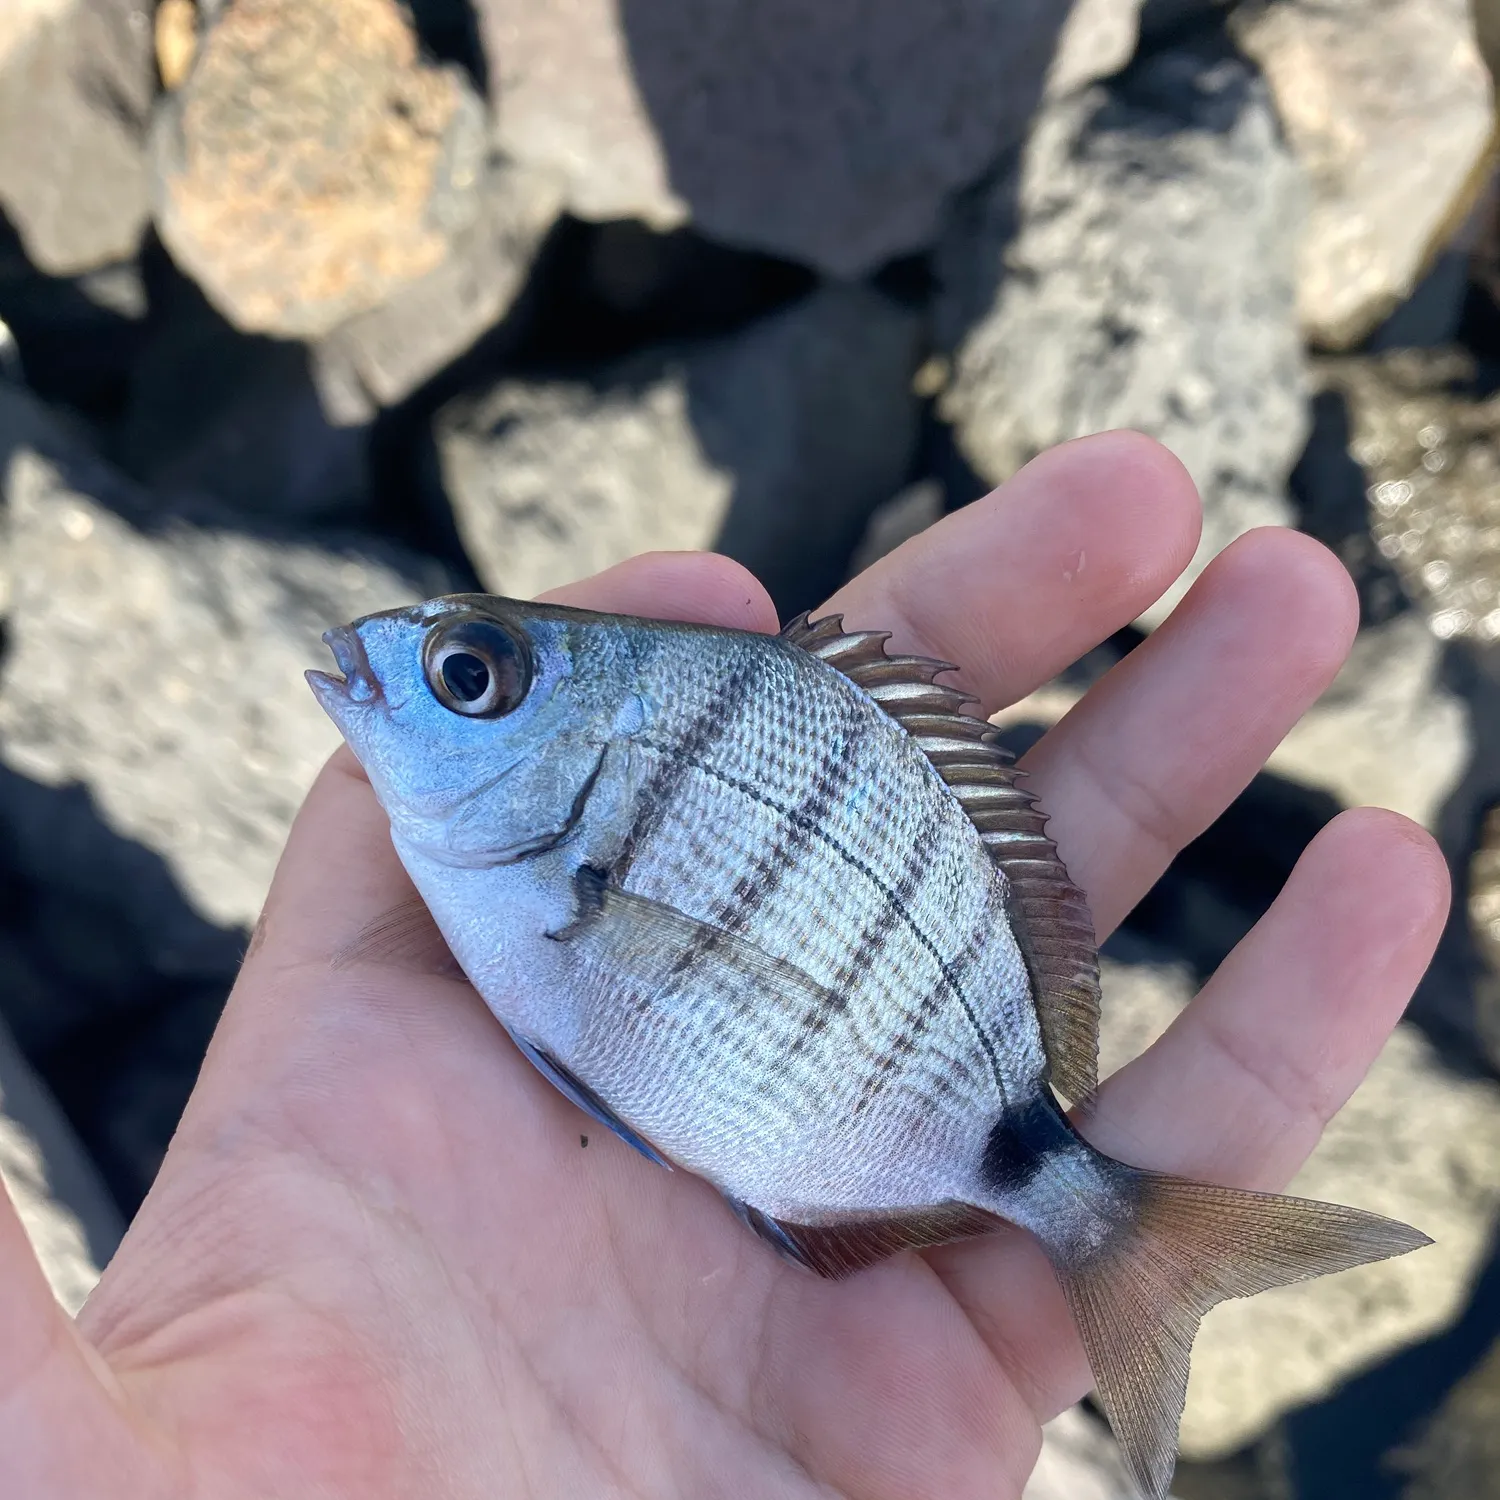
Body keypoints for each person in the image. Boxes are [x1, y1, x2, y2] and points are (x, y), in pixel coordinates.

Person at [0, 433, 1448, 1498]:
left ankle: (1125, 1242)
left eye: (472, 680)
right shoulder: (490, 863)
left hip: (915, 1120)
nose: (410, 670)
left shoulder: (516, 860)